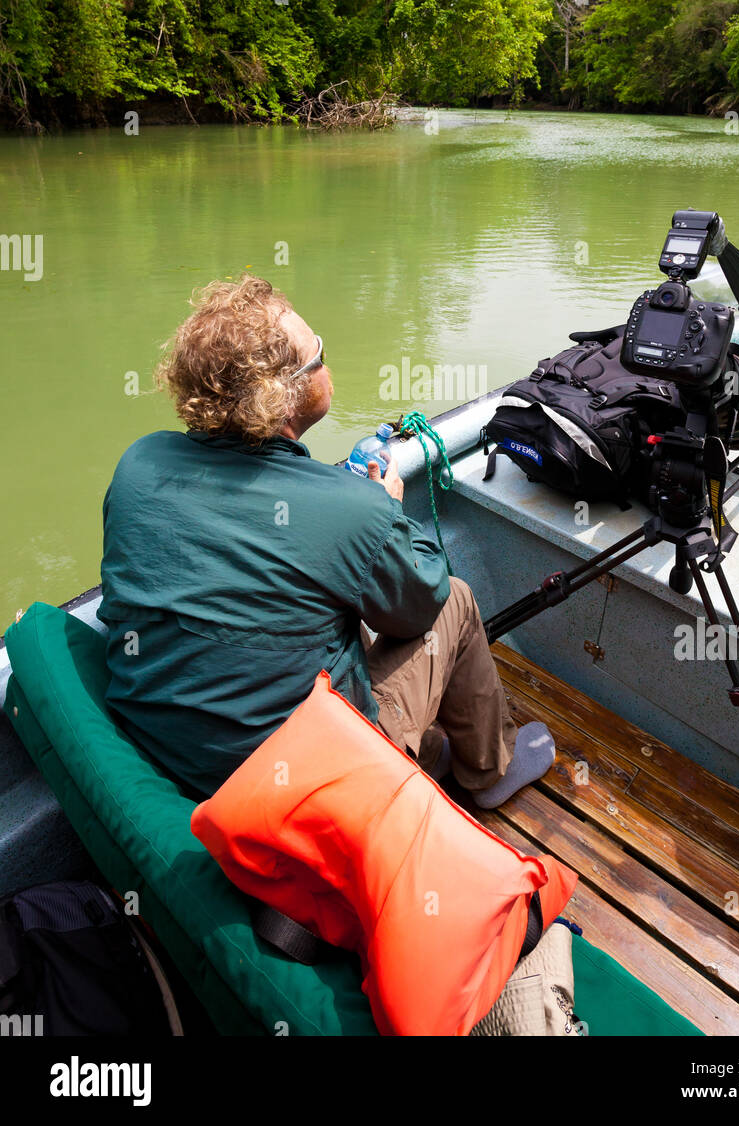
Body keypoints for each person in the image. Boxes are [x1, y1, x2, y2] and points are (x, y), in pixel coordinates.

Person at [97, 274, 555, 805]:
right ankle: (489, 772)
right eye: (320, 356)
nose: (327, 366)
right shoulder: (350, 507)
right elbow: (418, 606)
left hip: (176, 761)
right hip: (305, 791)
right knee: (455, 599)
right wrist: (386, 511)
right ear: (284, 395)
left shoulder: (139, 464)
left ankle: (426, 750)